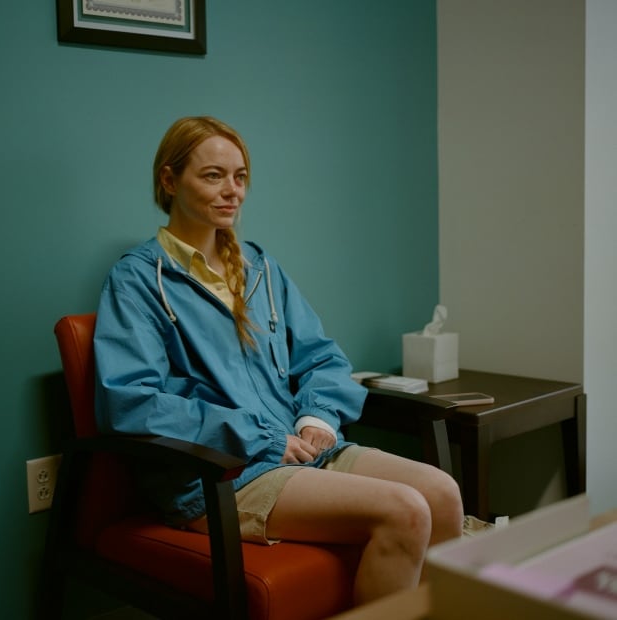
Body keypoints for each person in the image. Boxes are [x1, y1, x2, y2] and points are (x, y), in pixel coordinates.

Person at [94, 115, 463, 605]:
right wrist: (260, 436)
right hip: (221, 475)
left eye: (240, 176)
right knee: (405, 510)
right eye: (212, 176)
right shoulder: (138, 281)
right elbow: (132, 402)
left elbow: (322, 358)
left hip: (304, 452)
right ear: (169, 180)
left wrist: (317, 418)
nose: (232, 191)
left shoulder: (260, 269)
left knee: (442, 494)